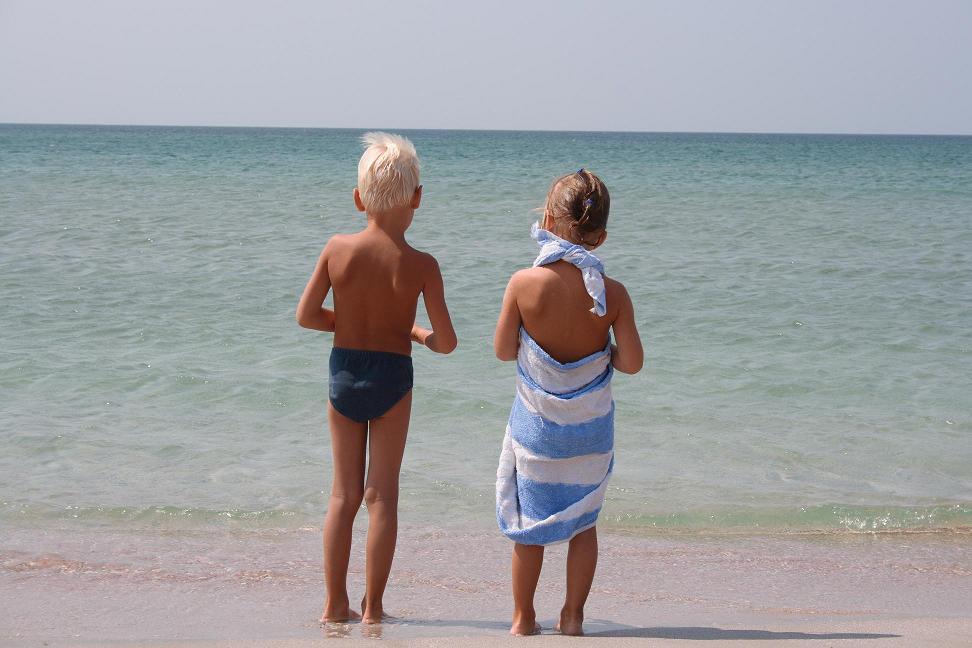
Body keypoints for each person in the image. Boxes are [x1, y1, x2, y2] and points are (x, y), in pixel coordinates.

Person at [297, 132, 457, 624]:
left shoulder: (337, 249)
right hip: (393, 377)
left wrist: (347, 324)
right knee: (381, 495)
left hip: (344, 373)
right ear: (417, 198)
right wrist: (415, 332)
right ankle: (374, 609)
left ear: (358, 198)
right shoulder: (423, 265)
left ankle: (333, 606)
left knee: (342, 495)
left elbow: (307, 316)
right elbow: (446, 342)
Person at [494, 169, 643, 636]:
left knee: (530, 527)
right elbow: (632, 363)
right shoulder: (612, 294)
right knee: (584, 523)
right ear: (601, 236)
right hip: (589, 434)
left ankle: (523, 618)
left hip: (538, 431)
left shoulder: (523, 283)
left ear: (547, 221)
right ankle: (573, 617)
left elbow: (502, 350)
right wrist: (602, 353)